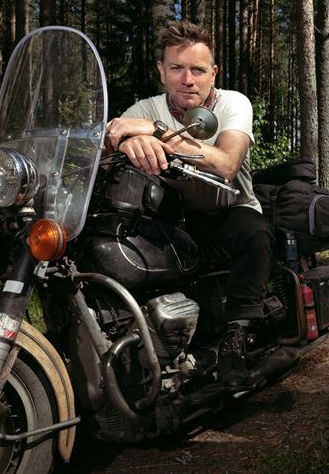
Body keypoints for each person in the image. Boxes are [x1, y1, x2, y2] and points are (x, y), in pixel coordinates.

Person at [104, 20, 273, 388]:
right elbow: (111, 137)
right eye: (177, 68)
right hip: (173, 217)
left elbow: (227, 163)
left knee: (255, 234)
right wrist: (121, 141)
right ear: (161, 71)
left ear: (213, 73)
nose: (187, 79)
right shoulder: (145, 107)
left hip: (230, 209)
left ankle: (237, 338)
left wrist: (155, 133)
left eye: (197, 70)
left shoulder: (233, 104)